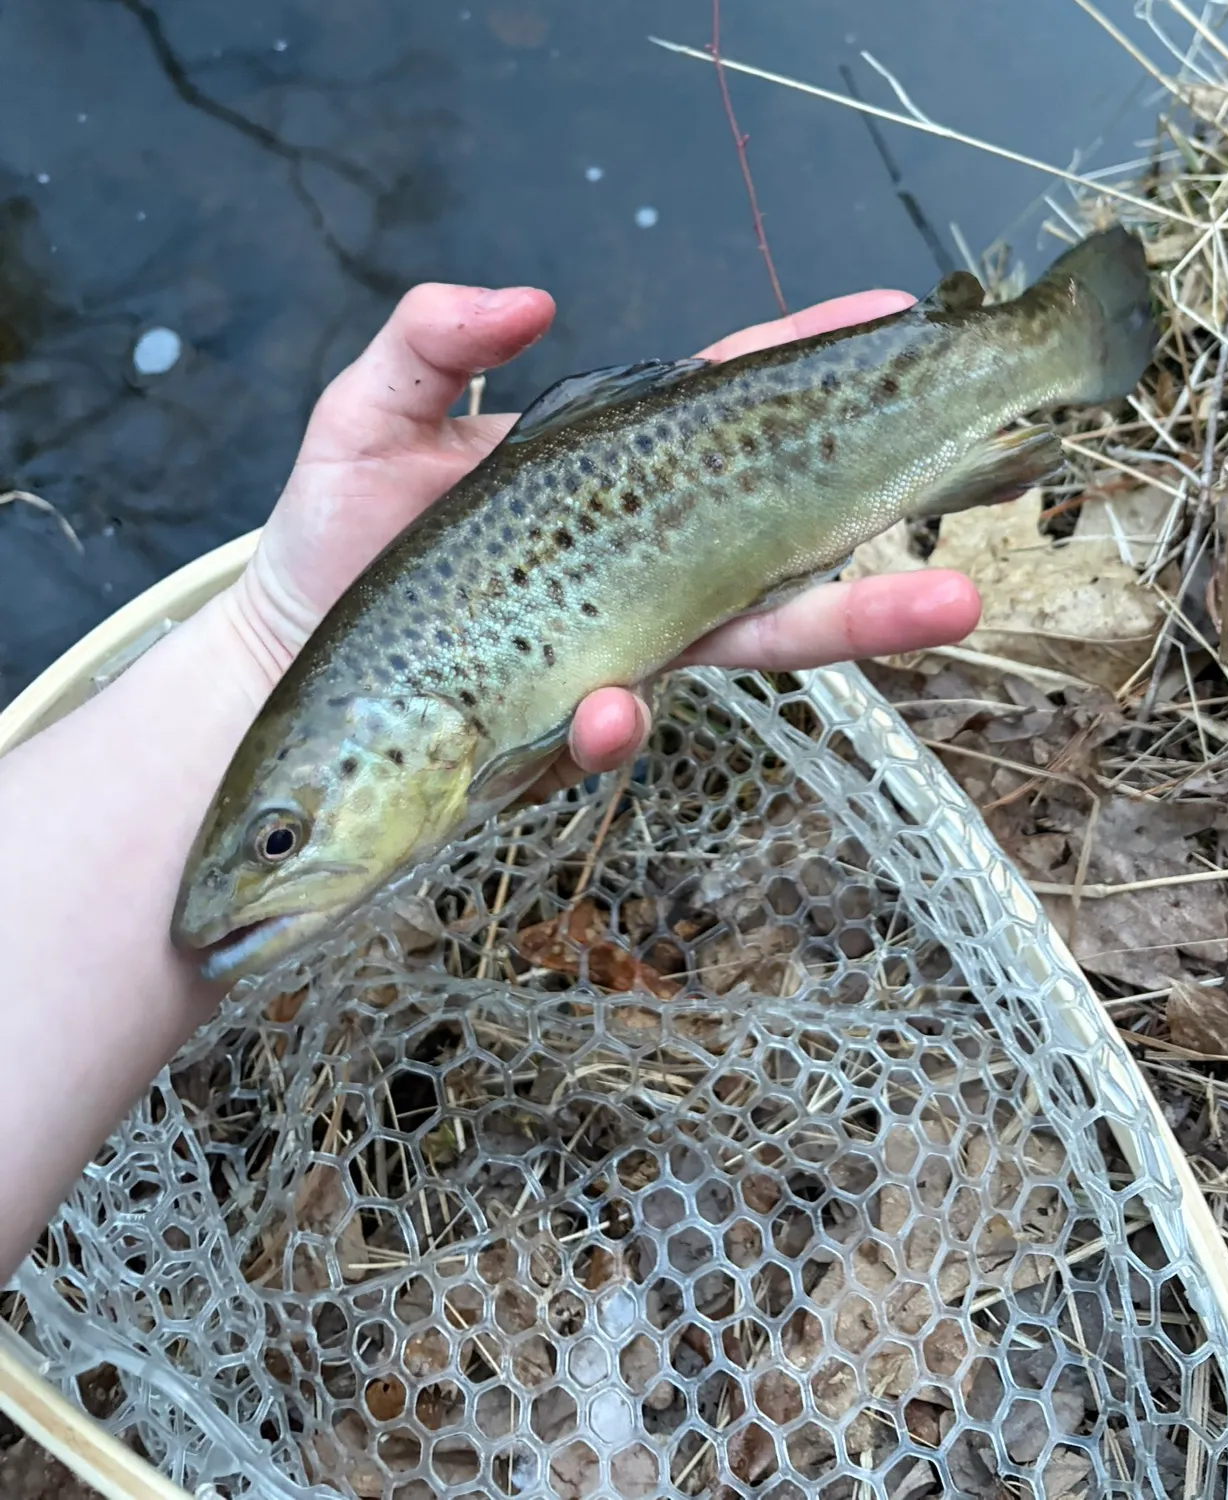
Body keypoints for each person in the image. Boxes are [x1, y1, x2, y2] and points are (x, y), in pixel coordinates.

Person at [0, 280, 981, 1283]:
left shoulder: (407, 709)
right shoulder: (367, 695)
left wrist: (265, 655)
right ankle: (995, 374)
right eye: (279, 840)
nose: (242, 887)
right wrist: (263, 648)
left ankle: (1000, 376)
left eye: (279, 841)